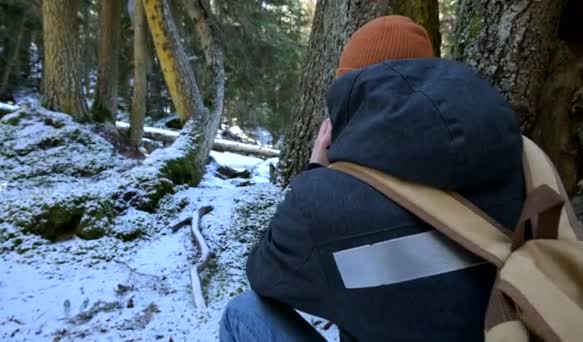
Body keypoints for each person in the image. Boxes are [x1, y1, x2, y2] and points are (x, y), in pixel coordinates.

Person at [220, 15, 524, 342]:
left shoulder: (323, 204)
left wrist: (315, 174)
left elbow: (265, 273)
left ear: (349, 98)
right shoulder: (516, 159)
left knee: (242, 312)